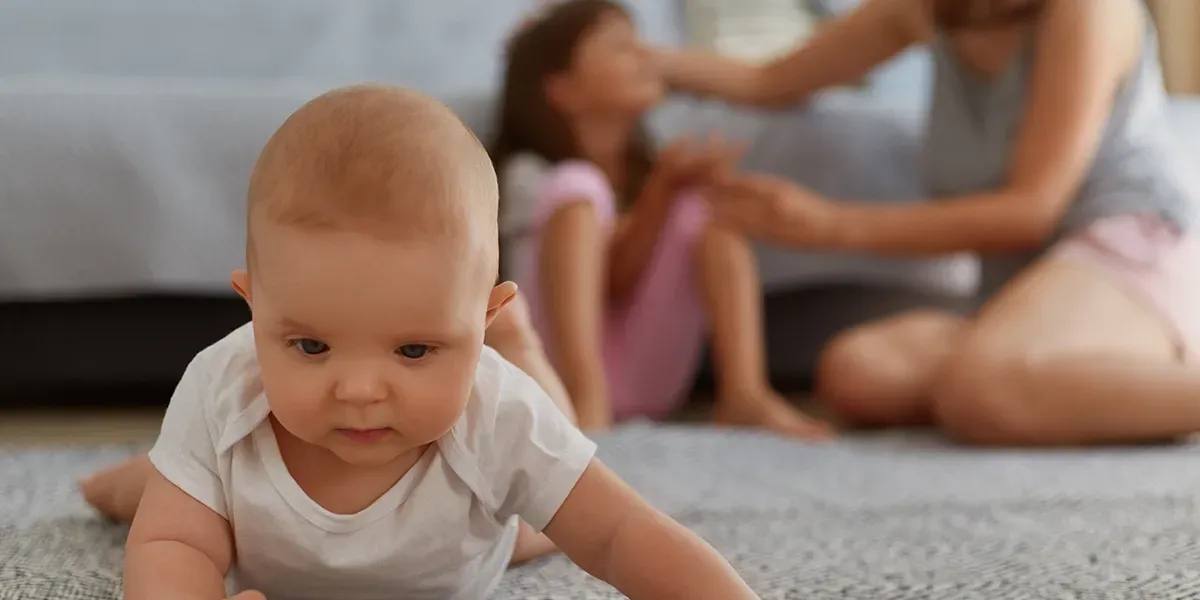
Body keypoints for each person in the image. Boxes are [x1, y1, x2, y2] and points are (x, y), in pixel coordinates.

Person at [113, 84, 761, 600]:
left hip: (474, 534)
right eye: (310, 346)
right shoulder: (222, 386)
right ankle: (132, 478)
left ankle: (521, 344)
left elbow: (623, 533)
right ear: (253, 308)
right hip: (241, 511)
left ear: (480, 322)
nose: (360, 390)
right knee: (164, 499)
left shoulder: (495, 412)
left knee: (548, 516)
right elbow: (176, 548)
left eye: (415, 350)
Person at [655, 0, 1200, 446]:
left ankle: (1084, 369)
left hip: (1129, 248)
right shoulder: (926, 10)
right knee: (858, 372)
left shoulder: (1088, 11)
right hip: (1022, 288)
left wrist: (828, 225)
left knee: (981, 389)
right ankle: (1062, 372)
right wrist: (640, 60)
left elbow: (1030, 210)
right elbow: (768, 80)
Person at [492, 0, 832, 439]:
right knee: (579, 187)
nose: (647, 58)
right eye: (622, 48)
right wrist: (658, 194)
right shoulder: (531, 176)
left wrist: (666, 192)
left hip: (640, 384)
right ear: (563, 90)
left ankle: (745, 393)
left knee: (701, 210)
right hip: (552, 375)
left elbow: (620, 280)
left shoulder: (638, 175)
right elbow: (607, 274)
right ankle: (583, 396)